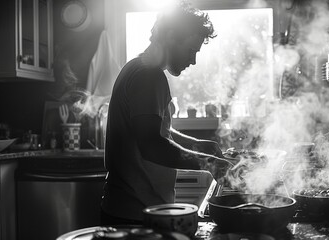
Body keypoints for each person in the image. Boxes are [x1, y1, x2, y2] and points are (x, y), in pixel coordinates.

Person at [100, 2, 233, 225]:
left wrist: (199, 145)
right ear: (171, 36)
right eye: (191, 50)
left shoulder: (138, 67)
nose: (193, 60)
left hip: (130, 210)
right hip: (135, 216)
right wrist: (208, 163)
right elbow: (151, 144)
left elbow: (156, 130)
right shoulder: (148, 75)